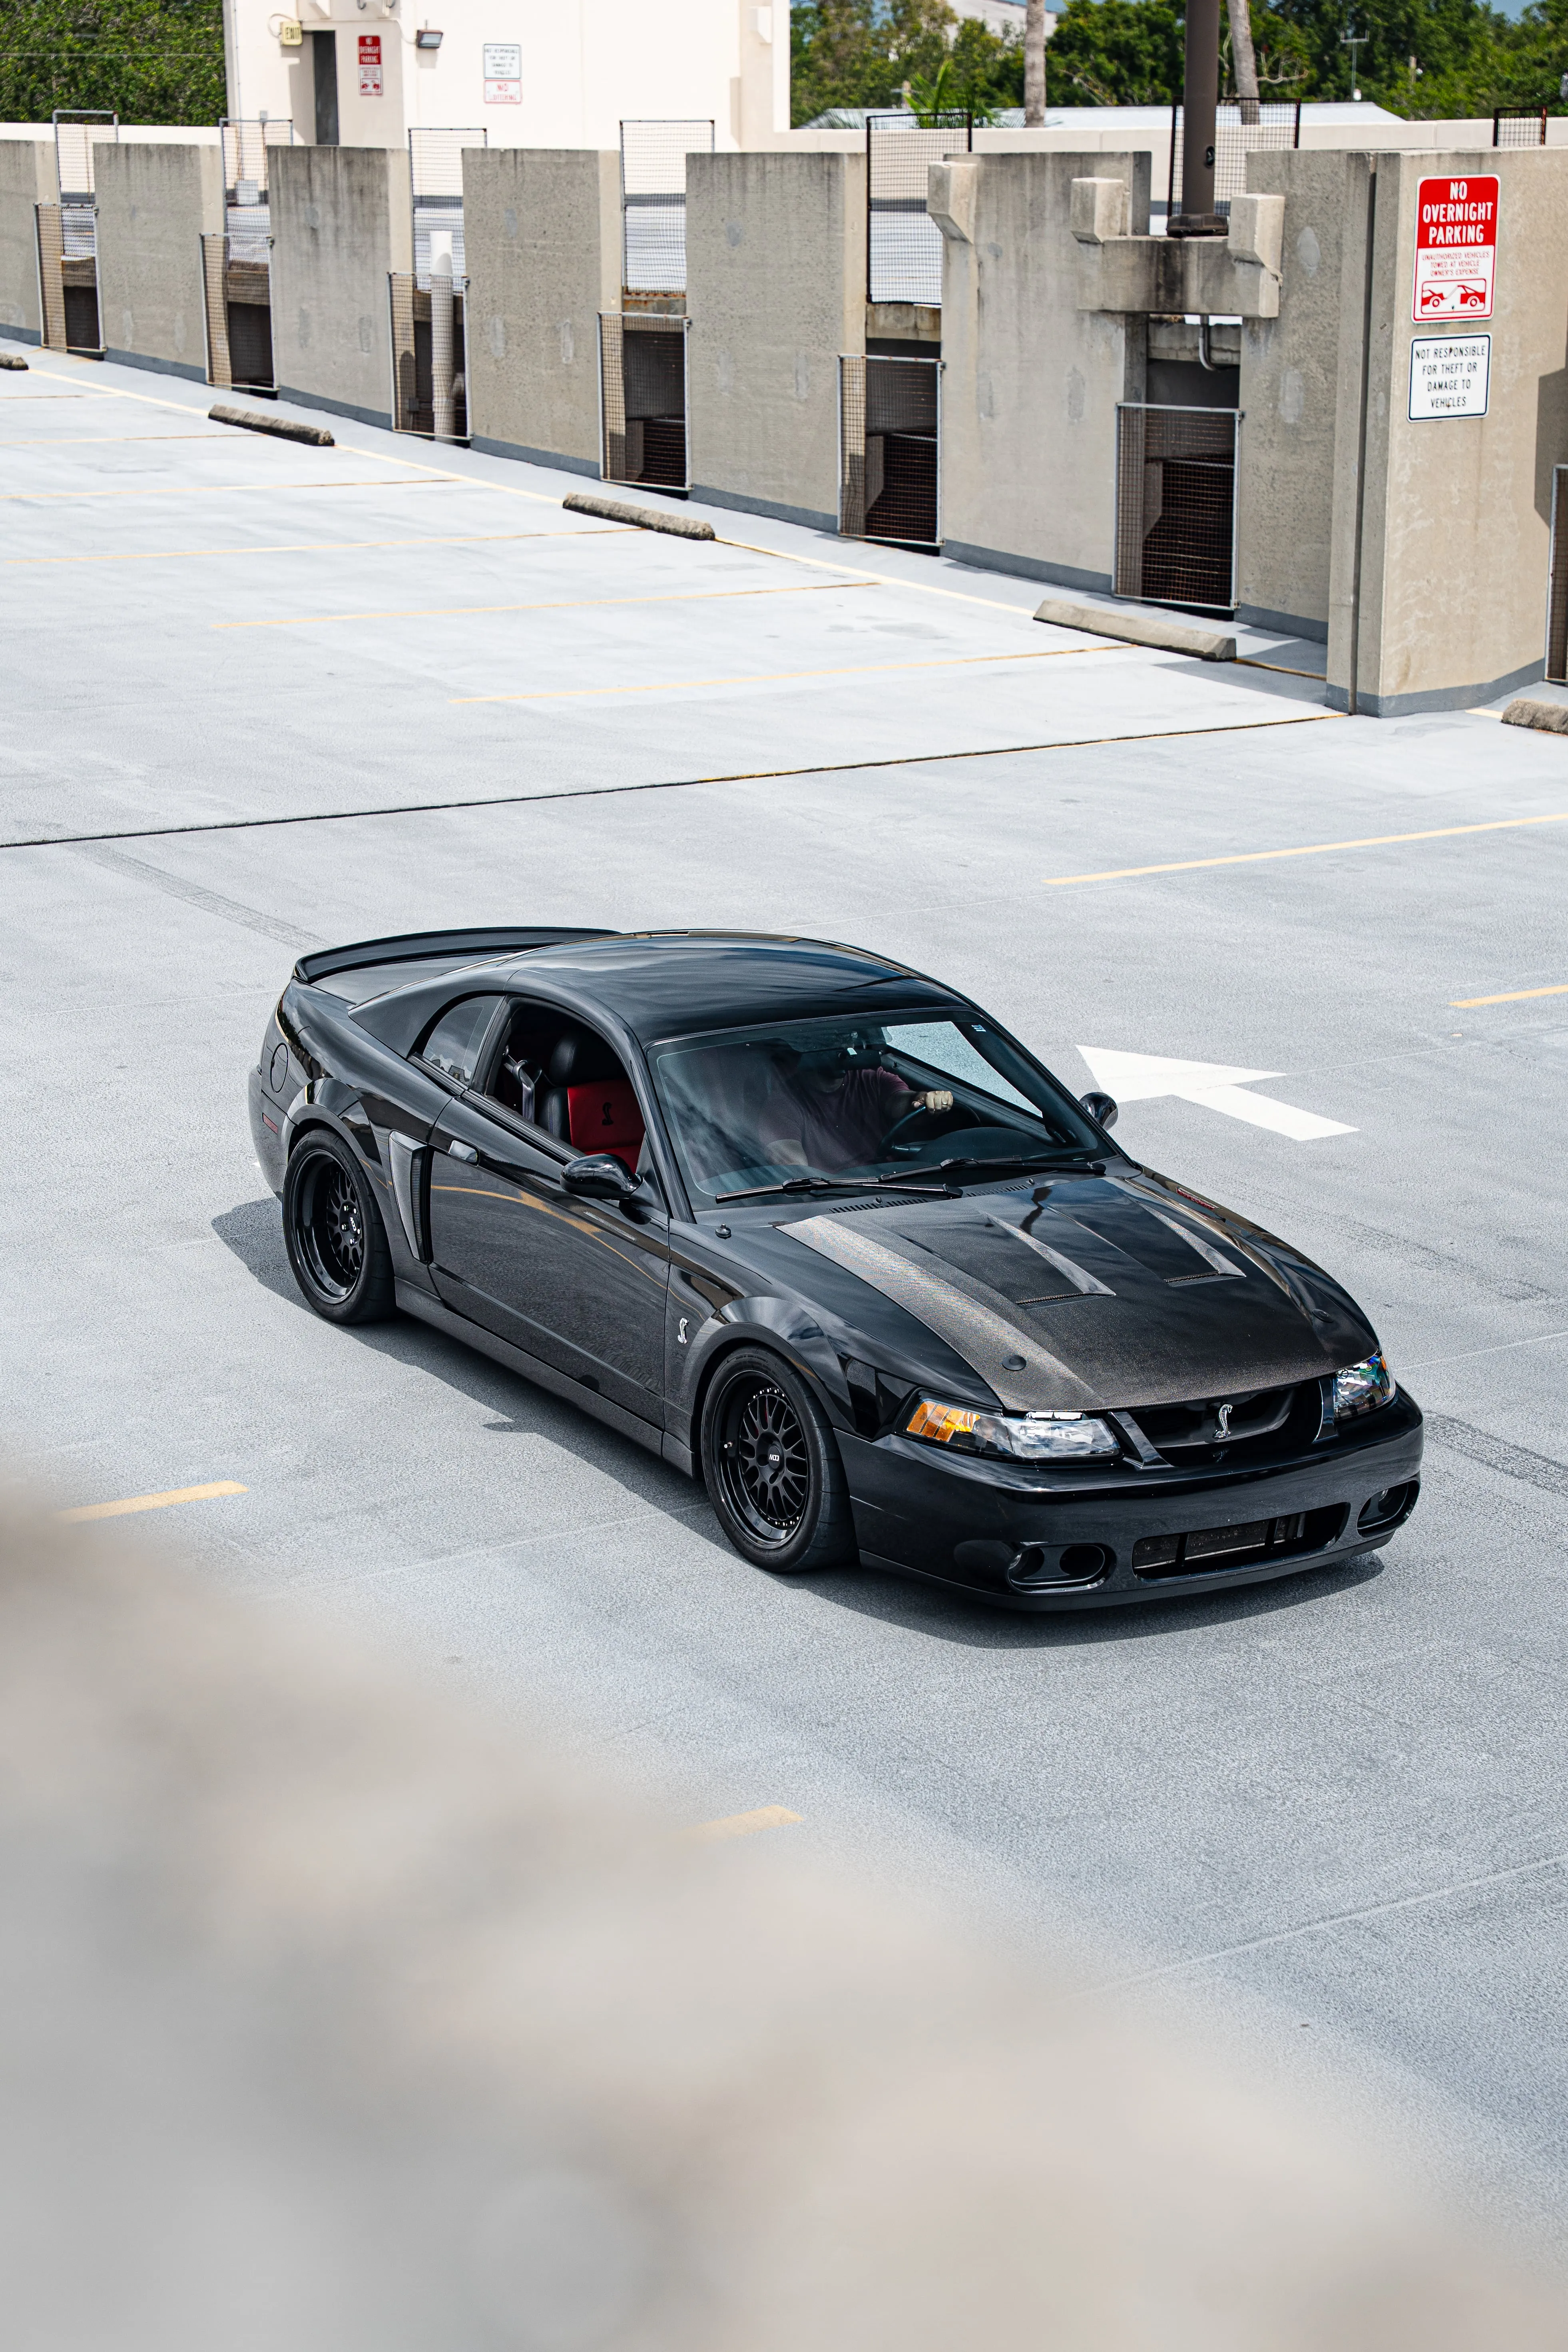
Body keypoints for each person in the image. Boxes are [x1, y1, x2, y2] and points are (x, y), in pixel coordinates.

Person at [758, 1047, 952, 1173]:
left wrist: (922, 1100)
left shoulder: (875, 1079)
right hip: (837, 1197)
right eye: (829, 1043)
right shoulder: (782, 1103)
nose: (841, 1051)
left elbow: (901, 1102)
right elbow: (795, 1171)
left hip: (894, 1184)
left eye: (843, 1041)